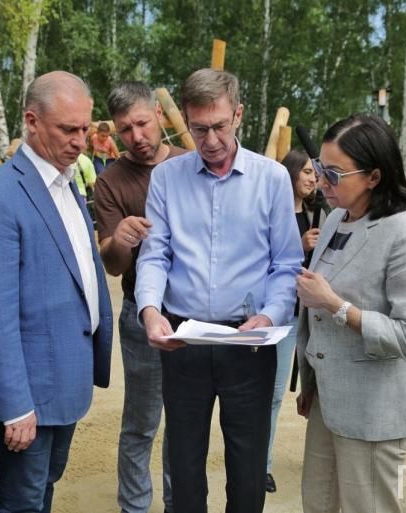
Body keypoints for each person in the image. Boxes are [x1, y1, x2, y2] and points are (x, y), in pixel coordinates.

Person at [135, 68, 303, 513]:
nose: (210, 140)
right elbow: (155, 254)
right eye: (198, 129)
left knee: (248, 464)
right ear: (185, 122)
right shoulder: (167, 178)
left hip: (249, 342)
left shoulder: (272, 179)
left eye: (220, 126)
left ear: (239, 115)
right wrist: (150, 310)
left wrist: (269, 315)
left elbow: (286, 264)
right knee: (184, 460)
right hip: (183, 339)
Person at [0, 71, 113, 513]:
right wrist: (14, 405)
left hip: (64, 379)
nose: (80, 141)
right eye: (68, 129)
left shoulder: (67, 183)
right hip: (29, 392)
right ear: (32, 121)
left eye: (84, 129)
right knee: (22, 500)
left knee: (43, 488)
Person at [295, 113, 406, 513]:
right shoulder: (335, 220)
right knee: (317, 503)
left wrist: (336, 305)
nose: (322, 181)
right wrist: (311, 380)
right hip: (328, 398)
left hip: (374, 408)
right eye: (320, 168)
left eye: (334, 174)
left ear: (374, 176)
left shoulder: (405, 233)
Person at [93, 81, 187, 513]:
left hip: (193, 314)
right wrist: (121, 240)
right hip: (140, 314)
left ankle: (177, 502)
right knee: (141, 422)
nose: (136, 137)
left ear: (160, 116)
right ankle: (134, 506)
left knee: (184, 420)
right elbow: (113, 265)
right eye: (125, 130)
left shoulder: (190, 164)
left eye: (142, 124)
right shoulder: (110, 181)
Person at [264, 150, 325, 494]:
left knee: (314, 390)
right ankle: (262, 464)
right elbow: (262, 262)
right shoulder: (273, 213)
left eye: (315, 173)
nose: (312, 178)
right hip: (280, 313)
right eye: (306, 171)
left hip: (311, 312)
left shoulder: (319, 214)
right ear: (289, 173)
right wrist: (298, 246)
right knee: (272, 393)